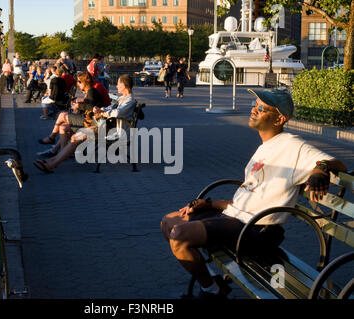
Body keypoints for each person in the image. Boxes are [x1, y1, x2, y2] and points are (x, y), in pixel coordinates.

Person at [160, 88, 347, 299]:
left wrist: (319, 171)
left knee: (180, 236)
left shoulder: (293, 145)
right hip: (238, 219)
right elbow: (246, 200)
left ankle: (212, 291)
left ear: (279, 119)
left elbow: (336, 163)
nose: (253, 110)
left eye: (261, 108)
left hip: (257, 230)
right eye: (254, 104)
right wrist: (209, 204)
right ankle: (213, 281)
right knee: (168, 222)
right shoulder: (265, 147)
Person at [33, 74, 135, 173]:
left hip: (112, 132)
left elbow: (117, 112)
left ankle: (51, 164)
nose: (116, 86)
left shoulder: (129, 100)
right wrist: (100, 109)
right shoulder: (123, 98)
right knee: (74, 137)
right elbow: (109, 108)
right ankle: (52, 162)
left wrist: (103, 112)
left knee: (74, 137)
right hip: (105, 127)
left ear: (124, 85)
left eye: (118, 84)